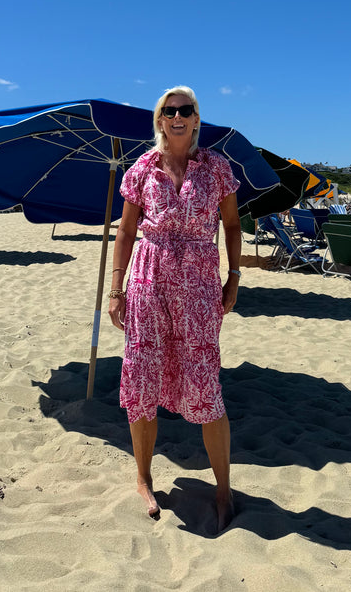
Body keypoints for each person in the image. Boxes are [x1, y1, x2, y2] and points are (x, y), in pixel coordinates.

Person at [108, 86, 241, 533]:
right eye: (170, 110)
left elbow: (233, 224)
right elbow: (125, 232)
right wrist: (116, 288)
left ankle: (223, 489)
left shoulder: (217, 168)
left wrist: (235, 276)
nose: (178, 116)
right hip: (148, 282)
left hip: (200, 286)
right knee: (142, 376)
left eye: (186, 109)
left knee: (205, 382)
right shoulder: (142, 168)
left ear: (197, 118)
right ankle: (144, 479)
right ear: (160, 119)